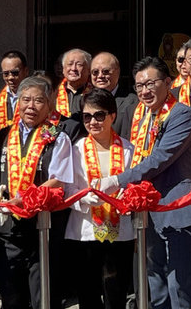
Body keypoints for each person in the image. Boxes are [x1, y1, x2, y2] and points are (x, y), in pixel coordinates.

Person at [94, 56, 191, 309]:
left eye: (150, 83)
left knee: (179, 287)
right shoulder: (143, 115)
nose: (144, 90)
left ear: (168, 82)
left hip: (177, 210)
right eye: (139, 85)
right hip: (148, 211)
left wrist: (116, 180)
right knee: (155, 286)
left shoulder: (181, 114)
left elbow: (159, 159)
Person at [0, 76, 73, 309]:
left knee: (43, 295)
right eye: (25, 99)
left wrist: (25, 198)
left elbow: (59, 180)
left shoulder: (57, 137)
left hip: (42, 225)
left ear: (49, 105)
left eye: (38, 101)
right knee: (11, 295)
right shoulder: (3, 135)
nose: (30, 106)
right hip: (8, 226)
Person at [65, 88, 134, 309]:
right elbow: (66, 190)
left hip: (119, 232)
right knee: (88, 294)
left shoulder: (128, 148)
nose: (93, 122)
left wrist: (126, 195)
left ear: (112, 116)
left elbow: (134, 183)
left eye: (99, 115)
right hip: (84, 230)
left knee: (116, 293)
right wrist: (83, 199)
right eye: (87, 116)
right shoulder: (75, 149)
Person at [90, 52, 138, 139]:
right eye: (95, 72)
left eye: (106, 71)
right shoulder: (86, 100)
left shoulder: (132, 101)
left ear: (118, 72)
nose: (100, 76)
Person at [0, 50, 30, 130]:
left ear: (26, 71)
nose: (10, 77)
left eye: (15, 73)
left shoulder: (37, 98)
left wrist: (47, 138)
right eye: (6, 74)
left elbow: (50, 125)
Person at [55, 49, 92, 118]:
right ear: (63, 69)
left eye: (79, 65)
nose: (73, 68)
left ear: (89, 70)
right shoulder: (53, 94)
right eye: (70, 64)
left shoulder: (94, 93)